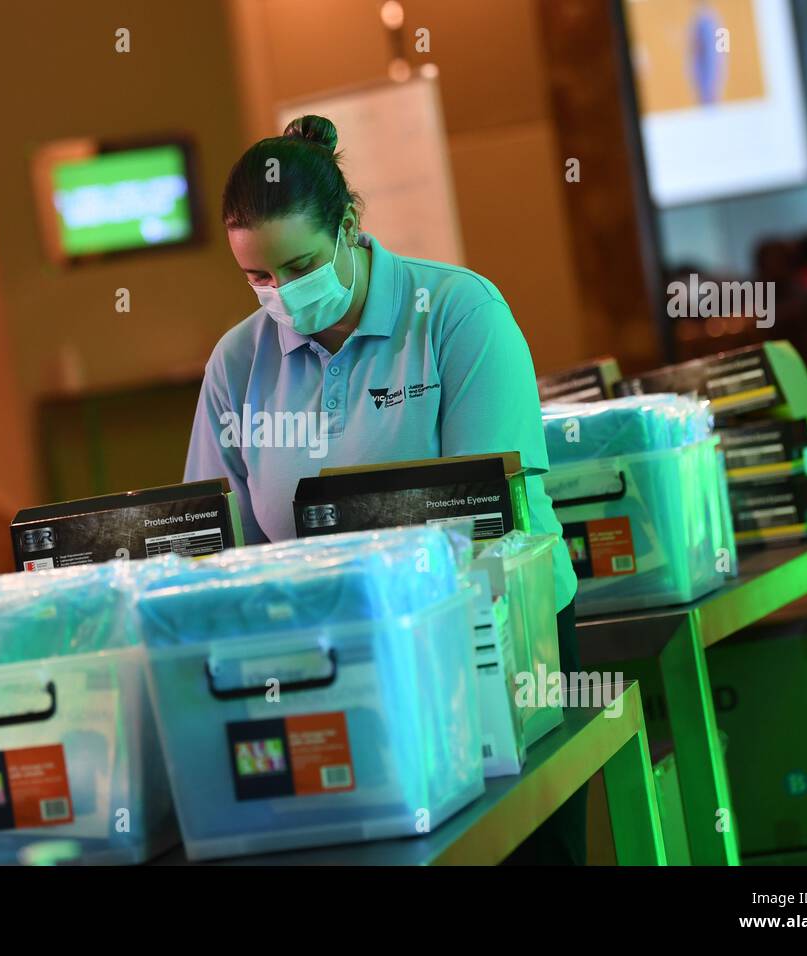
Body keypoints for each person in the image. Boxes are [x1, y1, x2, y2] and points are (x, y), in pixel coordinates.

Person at [184, 115, 584, 864]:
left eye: (299, 266)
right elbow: (219, 551)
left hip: (493, 642)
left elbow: (496, 523)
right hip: (331, 665)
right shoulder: (239, 365)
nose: (281, 294)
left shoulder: (458, 315)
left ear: (349, 226)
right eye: (258, 277)